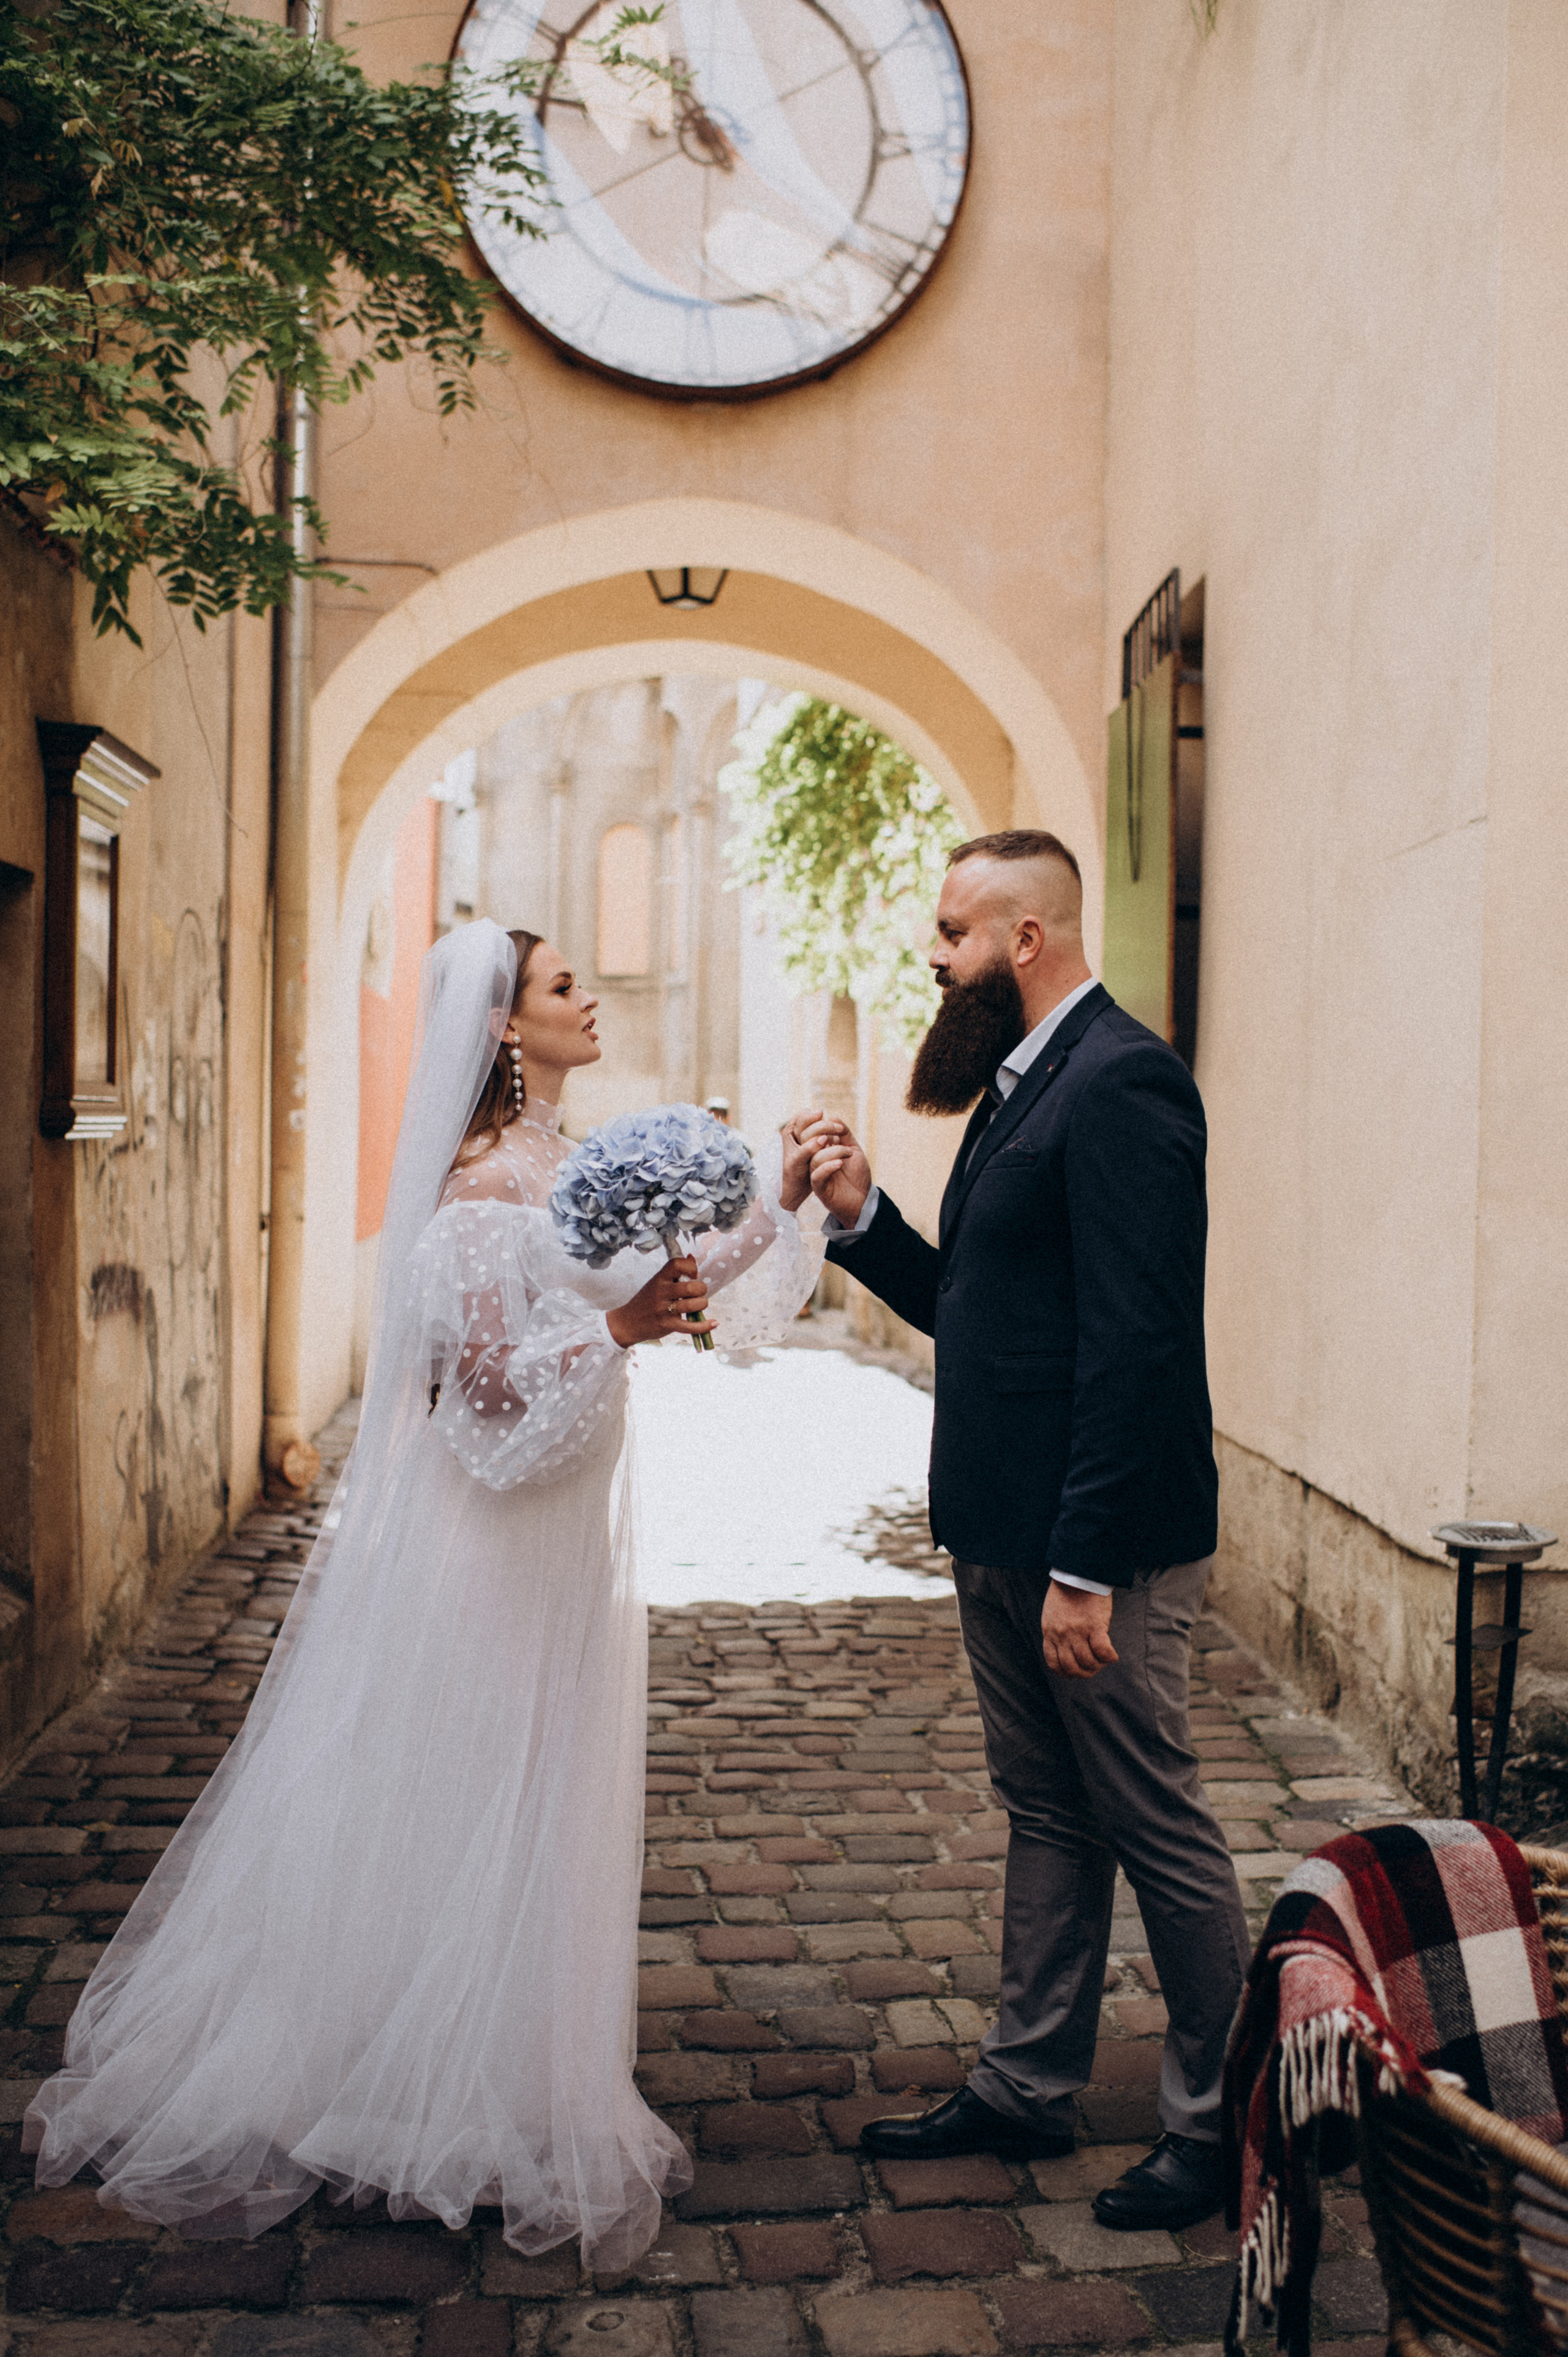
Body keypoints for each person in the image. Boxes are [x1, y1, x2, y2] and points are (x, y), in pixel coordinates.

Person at [25, 920, 824, 2269]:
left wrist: (783, 1193)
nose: (589, 996)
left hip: (565, 1532)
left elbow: (662, 1290)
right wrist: (618, 1335)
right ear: (506, 1026)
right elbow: (490, 1389)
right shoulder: (475, 1195)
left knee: (549, 1788)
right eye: (565, 983)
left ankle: (518, 2067)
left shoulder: (573, 1165)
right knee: (476, 1787)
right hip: (492, 1539)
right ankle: (415, 2082)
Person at [805, 831, 1249, 2233]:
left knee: (1152, 1818)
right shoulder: (1016, 1084)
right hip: (999, 1524)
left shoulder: (1120, 1081)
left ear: (1027, 939)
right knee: (1046, 1806)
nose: (933, 957)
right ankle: (1025, 2079)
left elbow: (1136, 1343)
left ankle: (1223, 2112)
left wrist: (1083, 1566)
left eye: (952, 932)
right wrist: (859, 1212)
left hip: (1089, 1547)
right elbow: (977, 1311)